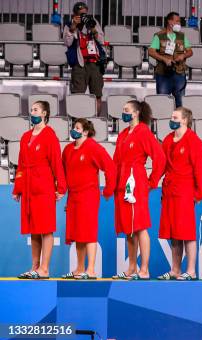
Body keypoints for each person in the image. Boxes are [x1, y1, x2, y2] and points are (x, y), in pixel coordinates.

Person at [112, 100, 166, 280]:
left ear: (136, 113)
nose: (124, 112)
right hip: (123, 183)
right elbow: (115, 161)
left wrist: (152, 181)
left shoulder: (144, 132)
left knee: (140, 226)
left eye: (126, 110)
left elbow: (159, 158)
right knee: (129, 228)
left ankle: (144, 269)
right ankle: (132, 267)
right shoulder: (123, 134)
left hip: (136, 181)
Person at [13, 101, 66, 279]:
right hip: (28, 186)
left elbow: (57, 163)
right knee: (33, 228)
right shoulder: (25, 136)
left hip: (44, 185)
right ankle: (35, 266)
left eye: (35, 110)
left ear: (44, 113)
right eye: (31, 110)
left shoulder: (50, 135)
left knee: (46, 228)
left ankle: (45, 268)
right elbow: (20, 164)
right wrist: (17, 188)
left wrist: (61, 187)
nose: (32, 112)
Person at [158, 107, 202, 281]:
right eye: (171, 116)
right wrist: (151, 181)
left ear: (185, 120)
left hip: (185, 191)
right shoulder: (167, 140)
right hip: (170, 191)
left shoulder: (193, 141)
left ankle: (191, 270)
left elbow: (201, 170)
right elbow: (161, 165)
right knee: (174, 233)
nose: (171, 119)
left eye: (175, 117)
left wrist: (199, 194)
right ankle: (175, 270)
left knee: (187, 232)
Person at [61, 119, 116, 280]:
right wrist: (64, 195)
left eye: (77, 128)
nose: (74, 130)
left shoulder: (93, 147)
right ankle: (79, 269)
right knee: (77, 233)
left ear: (85, 132)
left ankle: (91, 270)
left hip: (88, 195)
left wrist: (108, 190)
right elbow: (64, 174)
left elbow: (110, 167)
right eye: (73, 127)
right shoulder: (68, 150)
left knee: (88, 232)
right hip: (73, 196)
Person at [62, 1, 105, 115]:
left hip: (95, 64)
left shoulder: (93, 22)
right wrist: (73, 28)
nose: (83, 17)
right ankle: (78, 121)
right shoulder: (69, 24)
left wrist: (93, 29)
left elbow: (101, 40)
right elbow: (67, 42)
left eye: (85, 14)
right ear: (74, 14)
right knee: (77, 95)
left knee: (97, 95)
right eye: (80, 14)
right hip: (79, 65)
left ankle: (96, 120)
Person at [148, 12, 193, 107]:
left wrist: (183, 56)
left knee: (180, 103)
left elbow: (190, 52)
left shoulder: (182, 36)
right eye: (177, 21)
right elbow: (151, 51)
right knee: (163, 103)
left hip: (179, 73)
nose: (179, 23)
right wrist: (164, 59)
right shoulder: (159, 36)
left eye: (179, 21)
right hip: (163, 74)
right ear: (169, 21)